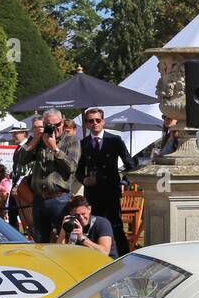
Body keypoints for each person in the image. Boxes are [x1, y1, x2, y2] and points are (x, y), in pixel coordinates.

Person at [76, 107, 135, 255]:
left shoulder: (114, 140)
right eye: (91, 121)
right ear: (86, 124)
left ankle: (122, 256)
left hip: (111, 191)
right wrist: (84, 179)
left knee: (115, 225)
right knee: (92, 225)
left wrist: (124, 182)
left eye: (98, 120)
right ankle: (96, 255)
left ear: (103, 122)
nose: (95, 123)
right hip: (93, 192)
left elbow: (131, 165)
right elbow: (77, 170)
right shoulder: (83, 144)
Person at [18, 111, 78, 243]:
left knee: (64, 239)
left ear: (62, 122)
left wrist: (55, 148)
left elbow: (72, 167)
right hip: (39, 199)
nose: (53, 128)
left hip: (60, 199)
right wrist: (34, 141)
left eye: (57, 125)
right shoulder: (38, 139)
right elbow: (20, 160)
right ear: (44, 124)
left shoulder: (71, 140)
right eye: (49, 125)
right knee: (40, 241)